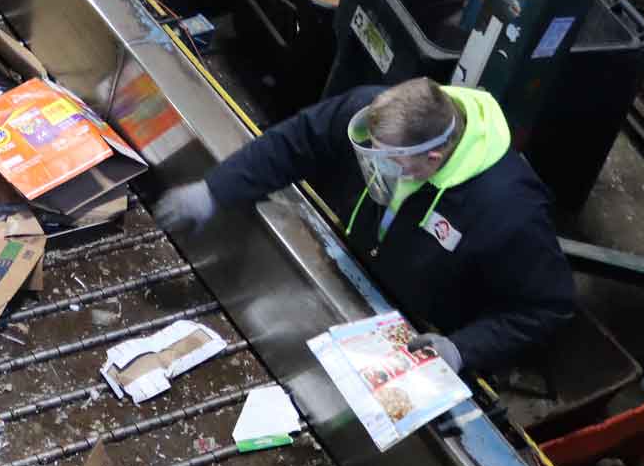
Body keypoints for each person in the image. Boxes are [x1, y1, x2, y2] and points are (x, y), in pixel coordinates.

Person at [152, 78, 574, 375]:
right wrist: (216, 189)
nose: (373, 165)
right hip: (353, 271)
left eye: (388, 160)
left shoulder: (507, 211)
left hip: (415, 328)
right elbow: (298, 141)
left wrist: (463, 350)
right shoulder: (373, 111)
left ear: (433, 158)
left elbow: (544, 307)